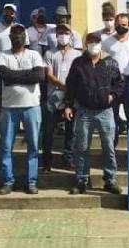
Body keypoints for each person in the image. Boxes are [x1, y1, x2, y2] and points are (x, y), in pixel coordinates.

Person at [63, 33, 124, 194]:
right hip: (84, 111)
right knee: (81, 147)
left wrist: (113, 95)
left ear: (100, 44)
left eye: (96, 42)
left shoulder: (110, 63)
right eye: (90, 42)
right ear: (85, 44)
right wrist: (68, 106)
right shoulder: (78, 63)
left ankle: (110, 180)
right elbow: (71, 86)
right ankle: (82, 180)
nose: (93, 45)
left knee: (109, 147)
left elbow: (119, 84)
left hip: (105, 111)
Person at [0, 25, 45, 195]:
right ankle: (8, 181)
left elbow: (39, 76)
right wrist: (26, 76)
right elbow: (2, 75)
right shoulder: (1, 55)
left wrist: (13, 77)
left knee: (33, 146)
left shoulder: (34, 55)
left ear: (25, 37)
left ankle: (31, 182)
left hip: (32, 106)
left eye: (20, 35)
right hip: (9, 107)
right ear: (9, 37)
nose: (17, 38)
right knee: (6, 147)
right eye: (14, 35)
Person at [42, 24, 83, 172]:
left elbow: (80, 76)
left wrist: (71, 91)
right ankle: (47, 162)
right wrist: (63, 86)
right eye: (60, 32)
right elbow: (49, 75)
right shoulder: (49, 54)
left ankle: (68, 159)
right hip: (53, 98)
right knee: (48, 132)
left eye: (66, 32)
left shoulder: (78, 55)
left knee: (71, 131)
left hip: (72, 99)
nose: (63, 35)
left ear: (71, 35)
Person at [102, 13, 129, 144]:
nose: (121, 27)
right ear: (115, 25)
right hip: (113, 83)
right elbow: (101, 59)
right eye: (119, 24)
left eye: (124, 25)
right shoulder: (107, 41)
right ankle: (112, 152)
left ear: (128, 25)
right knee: (112, 119)